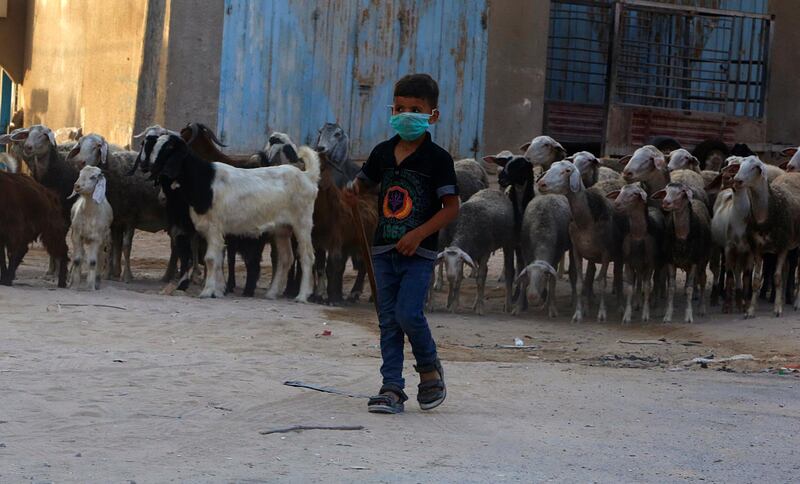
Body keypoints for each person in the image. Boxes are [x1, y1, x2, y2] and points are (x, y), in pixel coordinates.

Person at [343, 73, 460, 414]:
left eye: (416, 109)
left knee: (409, 314)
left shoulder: (438, 160)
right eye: (401, 108)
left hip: (419, 253)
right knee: (388, 320)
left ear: (432, 116)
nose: (406, 115)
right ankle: (391, 387)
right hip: (383, 250)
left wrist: (418, 234)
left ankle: (428, 369)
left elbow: (451, 208)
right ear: (392, 111)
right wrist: (352, 194)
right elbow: (361, 185)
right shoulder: (381, 153)